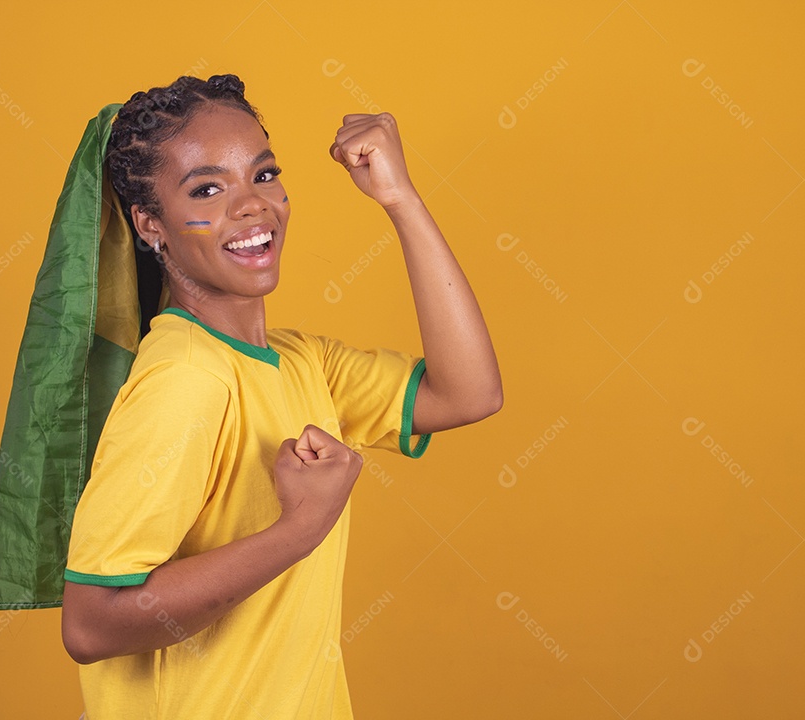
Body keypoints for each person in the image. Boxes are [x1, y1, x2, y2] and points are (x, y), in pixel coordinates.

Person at [60, 73, 503, 718]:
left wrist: (399, 198)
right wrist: (301, 527)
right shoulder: (186, 378)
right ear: (150, 224)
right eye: (208, 188)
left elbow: (469, 391)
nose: (251, 206)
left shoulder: (301, 363)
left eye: (263, 175)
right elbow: (92, 624)